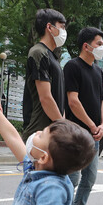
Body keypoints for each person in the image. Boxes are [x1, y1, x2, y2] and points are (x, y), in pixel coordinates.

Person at [64, 27, 103, 205]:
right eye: (99, 44)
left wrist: (102, 124)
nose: (102, 48)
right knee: (72, 179)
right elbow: (73, 101)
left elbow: (102, 100)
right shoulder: (72, 66)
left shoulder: (98, 71)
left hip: (95, 134)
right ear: (86, 46)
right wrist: (91, 125)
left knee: (89, 178)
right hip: (76, 133)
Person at [22, 9, 66, 141]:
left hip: (52, 131)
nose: (64, 32)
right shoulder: (38, 52)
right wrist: (63, 126)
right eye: (62, 27)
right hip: (37, 132)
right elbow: (45, 97)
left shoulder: (52, 57)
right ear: (49, 27)